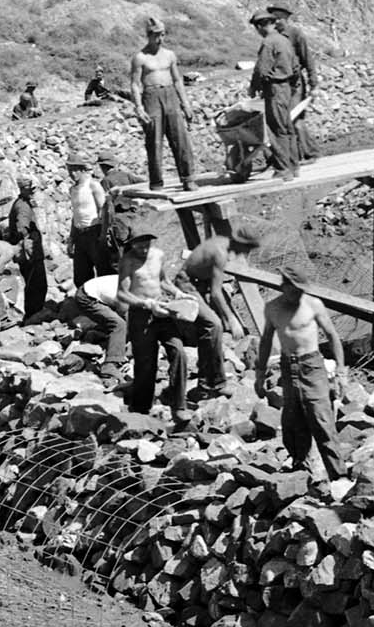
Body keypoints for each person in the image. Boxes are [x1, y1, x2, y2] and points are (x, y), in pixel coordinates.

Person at [115, 224, 220, 422]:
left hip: (163, 310)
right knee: (146, 363)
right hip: (141, 314)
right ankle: (140, 410)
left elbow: (162, 281)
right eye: (140, 246)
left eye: (147, 244)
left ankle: (178, 405)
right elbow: (122, 294)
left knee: (178, 352)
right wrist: (146, 303)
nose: (144, 249)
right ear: (133, 244)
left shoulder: (157, 255)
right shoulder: (128, 262)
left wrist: (177, 293)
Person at [254, 266, 347, 481]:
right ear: (284, 286)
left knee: (321, 419)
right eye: (294, 289)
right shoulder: (273, 308)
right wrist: (260, 374)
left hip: (312, 364)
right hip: (288, 366)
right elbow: (266, 340)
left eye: (301, 290)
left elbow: (333, 336)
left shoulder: (313, 304)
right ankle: (300, 467)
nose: (298, 294)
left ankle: (339, 476)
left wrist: (341, 372)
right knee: (292, 419)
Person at [129, 18, 195, 191]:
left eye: (162, 35)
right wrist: (139, 107)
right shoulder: (140, 58)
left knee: (180, 138)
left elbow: (177, 79)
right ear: (149, 36)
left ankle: (188, 178)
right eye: (156, 35)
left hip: (170, 94)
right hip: (151, 96)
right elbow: (135, 84)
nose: (160, 39)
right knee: (154, 140)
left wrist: (185, 103)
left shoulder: (169, 55)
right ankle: (157, 182)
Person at [175, 217, 256, 345]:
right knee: (213, 323)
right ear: (240, 243)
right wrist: (231, 319)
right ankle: (207, 358)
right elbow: (215, 292)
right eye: (247, 248)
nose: (246, 253)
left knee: (220, 311)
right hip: (187, 283)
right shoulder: (220, 253)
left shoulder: (223, 242)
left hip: (200, 281)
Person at [248, 11, 299, 179]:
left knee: (276, 129)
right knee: (287, 127)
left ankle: (283, 170)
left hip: (275, 88)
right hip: (286, 87)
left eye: (257, 28)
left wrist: (254, 87)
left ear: (260, 26)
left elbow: (261, 69)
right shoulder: (284, 40)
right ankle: (293, 166)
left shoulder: (268, 43)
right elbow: (296, 66)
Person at [268, 0, 318, 163]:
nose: (275, 23)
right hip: (280, 85)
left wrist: (313, 84)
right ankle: (296, 155)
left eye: (278, 19)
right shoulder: (272, 38)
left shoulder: (296, 35)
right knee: (286, 120)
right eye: (273, 19)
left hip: (296, 84)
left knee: (295, 119)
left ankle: (310, 153)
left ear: (286, 19)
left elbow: (308, 59)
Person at [94, 149, 148, 276]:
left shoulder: (105, 182)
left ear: (102, 167)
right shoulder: (127, 176)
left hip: (119, 222)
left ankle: (123, 286)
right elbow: (145, 184)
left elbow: (108, 206)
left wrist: (105, 229)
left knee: (120, 256)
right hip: (134, 218)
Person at [4, 176, 49, 318]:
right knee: (37, 283)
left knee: (34, 282)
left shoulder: (23, 203)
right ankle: (34, 314)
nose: (34, 192)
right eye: (31, 190)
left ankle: (33, 312)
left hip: (29, 250)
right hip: (30, 251)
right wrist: (30, 235)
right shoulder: (22, 206)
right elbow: (21, 227)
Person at [66, 153, 105, 289]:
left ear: (82, 170)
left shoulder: (93, 186)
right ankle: (86, 303)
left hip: (94, 232)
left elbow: (104, 211)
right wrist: (71, 238)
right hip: (80, 234)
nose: (71, 173)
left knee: (103, 271)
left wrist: (103, 235)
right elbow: (75, 215)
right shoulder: (73, 189)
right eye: (69, 170)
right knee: (81, 275)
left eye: (74, 170)